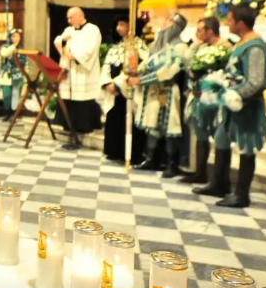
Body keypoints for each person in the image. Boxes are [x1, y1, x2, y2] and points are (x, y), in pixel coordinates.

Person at [200, 3, 266, 208]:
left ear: (239, 23)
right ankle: (219, 183)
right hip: (230, 104)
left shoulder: (255, 46)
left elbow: (255, 81)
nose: (227, 23)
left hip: (246, 105)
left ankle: (242, 194)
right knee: (221, 139)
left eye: (229, 20)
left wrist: (235, 94)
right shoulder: (241, 43)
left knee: (247, 147)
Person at [128, 13, 189, 176]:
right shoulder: (157, 45)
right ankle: (150, 159)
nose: (164, 23)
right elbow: (146, 64)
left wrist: (141, 81)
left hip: (168, 91)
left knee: (168, 127)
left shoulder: (180, 47)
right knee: (152, 126)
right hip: (153, 91)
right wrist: (136, 72)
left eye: (169, 21)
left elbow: (168, 72)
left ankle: (171, 163)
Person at [181, 16, 231, 185]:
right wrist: (195, 46)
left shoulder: (225, 46)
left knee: (218, 134)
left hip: (215, 96)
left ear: (211, 31)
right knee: (199, 129)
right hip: (198, 92)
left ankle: (219, 179)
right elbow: (187, 63)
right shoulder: (200, 46)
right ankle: (199, 172)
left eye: (200, 30)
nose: (197, 33)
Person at [99, 19, 148, 163]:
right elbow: (107, 66)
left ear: (130, 26)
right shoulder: (116, 47)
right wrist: (107, 83)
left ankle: (130, 153)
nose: (118, 28)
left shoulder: (139, 46)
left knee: (130, 120)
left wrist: (118, 83)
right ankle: (113, 150)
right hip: (113, 91)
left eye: (122, 25)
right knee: (114, 119)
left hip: (129, 89)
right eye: (117, 25)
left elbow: (138, 68)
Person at [55, 7, 103, 150]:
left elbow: (90, 48)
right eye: (68, 18)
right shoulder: (69, 30)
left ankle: (84, 126)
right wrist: (65, 49)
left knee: (82, 98)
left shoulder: (93, 30)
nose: (68, 21)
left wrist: (74, 55)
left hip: (83, 71)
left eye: (71, 18)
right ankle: (69, 125)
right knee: (69, 96)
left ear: (80, 15)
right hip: (70, 71)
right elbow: (58, 40)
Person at [0, 28, 27, 116]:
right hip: (6, 74)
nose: (16, 38)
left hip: (17, 74)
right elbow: (4, 54)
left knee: (16, 94)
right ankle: (7, 112)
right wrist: (13, 47)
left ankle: (13, 113)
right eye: (14, 36)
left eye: (18, 36)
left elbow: (22, 62)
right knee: (7, 94)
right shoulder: (5, 46)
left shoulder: (21, 49)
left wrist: (11, 59)